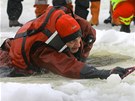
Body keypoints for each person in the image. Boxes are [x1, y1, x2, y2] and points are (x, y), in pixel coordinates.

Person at [0, 5, 129, 79]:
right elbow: (67, 66)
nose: (78, 44)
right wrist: (104, 73)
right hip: (9, 62)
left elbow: (89, 33)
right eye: (72, 42)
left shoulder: (73, 22)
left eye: (78, 39)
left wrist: (81, 60)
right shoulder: (41, 51)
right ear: (60, 39)